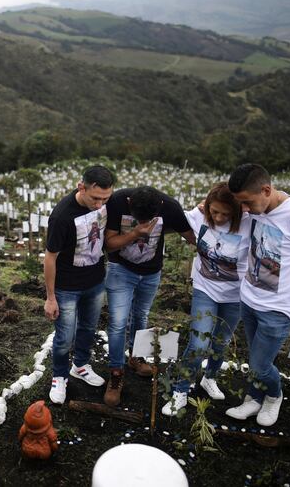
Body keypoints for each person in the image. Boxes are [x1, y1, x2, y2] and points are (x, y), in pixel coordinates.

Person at [224, 163, 290, 427]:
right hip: (249, 300)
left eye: (247, 203)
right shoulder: (255, 208)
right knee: (255, 357)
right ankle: (254, 397)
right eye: (241, 204)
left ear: (267, 190)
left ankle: (274, 395)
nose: (244, 210)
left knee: (260, 364)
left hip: (278, 308)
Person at [162, 182, 251, 416]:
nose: (219, 217)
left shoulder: (249, 223)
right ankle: (181, 390)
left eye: (226, 213)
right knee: (199, 342)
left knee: (221, 341)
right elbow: (169, 212)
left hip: (235, 294)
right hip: (205, 288)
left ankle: (209, 378)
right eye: (215, 211)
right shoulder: (198, 216)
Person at [103, 186, 195, 407]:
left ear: (160, 207)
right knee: (117, 322)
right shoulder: (116, 202)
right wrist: (135, 233)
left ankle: (137, 357)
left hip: (152, 272)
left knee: (141, 315)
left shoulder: (170, 206)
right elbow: (108, 243)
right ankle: (116, 374)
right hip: (120, 269)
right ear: (129, 202)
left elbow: (191, 236)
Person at [44, 165, 115, 405]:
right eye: (95, 198)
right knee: (64, 336)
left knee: (88, 328)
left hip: (95, 281)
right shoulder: (62, 216)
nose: (100, 204)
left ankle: (81, 365)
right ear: (81, 186)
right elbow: (50, 257)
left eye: (105, 198)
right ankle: (60, 375)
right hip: (67, 287)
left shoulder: (105, 202)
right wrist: (50, 297)